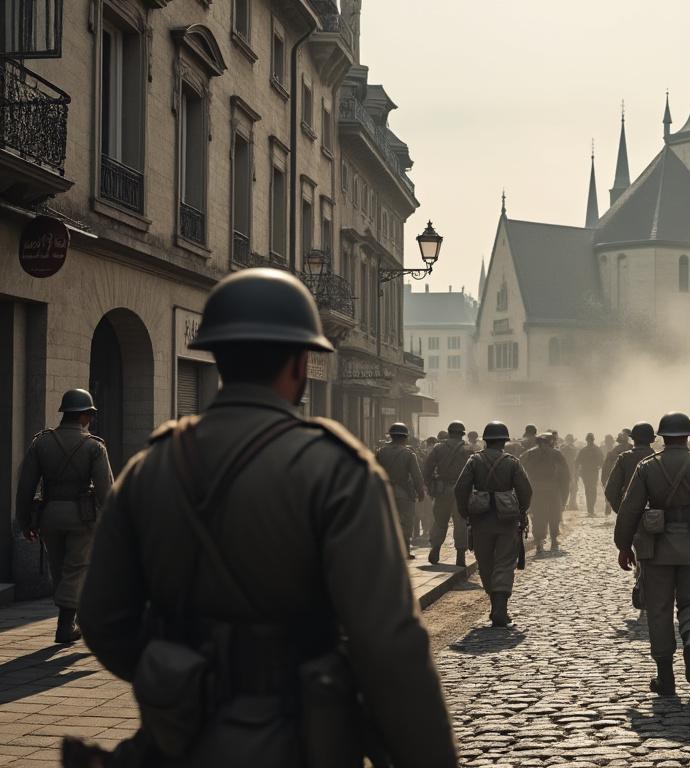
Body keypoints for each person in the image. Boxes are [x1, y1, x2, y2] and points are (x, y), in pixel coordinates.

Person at [77, 269, 456, 766]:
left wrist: (181, 676)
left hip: (181, 743)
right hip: (302, 742)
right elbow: (389, 646)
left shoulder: (151, 467)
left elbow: (102, 619)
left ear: (217, 358)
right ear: (300, 363)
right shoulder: (337, 470)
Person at [615, 412, 690, 695]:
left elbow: (629, 509)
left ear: (662, 437)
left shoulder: (647, 467)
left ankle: (665, 677)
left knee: (659, 611)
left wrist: (623, 545)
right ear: (687, 436)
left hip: (656, 550)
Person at [13, 388, 114, 644]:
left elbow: (25, 486)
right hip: (83, 517)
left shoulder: (41, 443)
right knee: (77, 568)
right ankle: (65, 626)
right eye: (89, 414)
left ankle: (71, 618)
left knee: (59, 569)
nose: (90, 419)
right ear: (82, 415)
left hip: (49, 515)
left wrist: (24, 521)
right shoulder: (94, 446)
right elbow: (106, 489)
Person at [456, 421, 533, 627]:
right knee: (505, 563)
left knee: (485, 563)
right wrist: (521, 511)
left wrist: (465, 512)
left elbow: (461, 488)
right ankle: (500, 608)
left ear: (486, 440)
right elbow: (526, 491)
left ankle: (495, 606)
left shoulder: (474, 461)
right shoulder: (512, 462)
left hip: (480, 520)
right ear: (504, 441)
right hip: (507, 520)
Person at [606, 423, 659, 609]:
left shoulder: (624, 458)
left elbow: (611, 490)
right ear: (652, 440)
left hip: (631, 513)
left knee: (637, 548)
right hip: (656, 515)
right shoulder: (657, 458)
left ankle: (642, 582)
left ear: (633, 439)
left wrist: (622, 511)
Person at [422, 421, 471, 567]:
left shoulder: (438, 448)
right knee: (461, 522)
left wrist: (431, 485)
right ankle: (460, 556)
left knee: (440, 521)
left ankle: (435, 548)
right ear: (462, 434)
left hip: (442, 489)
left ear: (449, 433)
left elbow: (427, 468)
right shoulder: (468, 449)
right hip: (462, 491)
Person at [377, 423, 426, 559]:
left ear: (391, 436)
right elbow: (416, 476)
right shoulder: (408, 454)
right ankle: (405, 550)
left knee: (386, 522)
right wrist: (420, 492)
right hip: (404, 493)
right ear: (405, 437)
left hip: (385, 493)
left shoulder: (381, 452)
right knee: (406, 522)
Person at [521, 432, 570, 554]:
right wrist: (564, 496)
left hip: (535, 490)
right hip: (553, 489)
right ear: (551, 441)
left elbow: (521, 472)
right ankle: (554, 540)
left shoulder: (528, 454)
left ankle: (539, 543)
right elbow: (565, 476)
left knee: (538, 515)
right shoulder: (557, 454)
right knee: (554, 515)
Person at [601, 432, 631, 516]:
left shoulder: (614, 450)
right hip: (630, 476)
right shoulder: (632, 448)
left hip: (618, 476)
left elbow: (606, 466)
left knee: (614, 492)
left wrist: (604, 479)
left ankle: (611, 507)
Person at [575, 434, 604, 517]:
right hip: (590, 472)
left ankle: (590, 508)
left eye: (590, 440)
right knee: (591, 490)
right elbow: (602, 461)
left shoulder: (585, 450)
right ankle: (590, 508)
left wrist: (577, 471)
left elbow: (577, 461)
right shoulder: (596, 449)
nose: (589, 441)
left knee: (589, 490)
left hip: (588, 472)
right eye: (589, 440)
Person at [560, 434, 580, 510]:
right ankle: (571, 504)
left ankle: (568, 504)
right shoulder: (573, 449)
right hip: (571, 471)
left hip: (567, 471)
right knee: (572, 489)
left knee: (568, 488)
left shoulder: (564, 448)